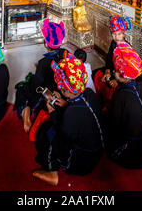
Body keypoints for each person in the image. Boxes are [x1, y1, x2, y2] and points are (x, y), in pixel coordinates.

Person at [33, 52, 104, 186]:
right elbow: (81, 113)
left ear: (64, 89)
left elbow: (62, 137)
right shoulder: (89, 94)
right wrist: (66, 103)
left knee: (47, 131)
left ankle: (51, 171)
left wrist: (53, 113)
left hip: (79, 164)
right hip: (97, 153)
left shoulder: (71, 113)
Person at [106, 43, 142, 169]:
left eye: (116, 70)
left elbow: (115, 125)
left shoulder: (120, 96)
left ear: (123, 77)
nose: (114, 71)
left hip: (134, 149)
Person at [14, 19, 68, 133]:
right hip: (64, 95)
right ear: (61, 41)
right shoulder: (66, 55)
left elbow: (36, 85)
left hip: (48, 98)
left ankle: (26, 111)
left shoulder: (44, 62)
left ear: (46, 43)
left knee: (22, 89)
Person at [93, 15, 132, 110]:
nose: (116, 37)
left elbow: (129, 72)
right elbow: (109, 59)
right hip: (113, 71)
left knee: (113, 90)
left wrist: (118, 81)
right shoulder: (114, 43)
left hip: (123, 76)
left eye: (119, 34)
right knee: (96, 75)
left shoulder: (127, 49)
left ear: (124, 34)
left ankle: (109, 107)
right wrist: (107, 71)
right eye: (114, 34)